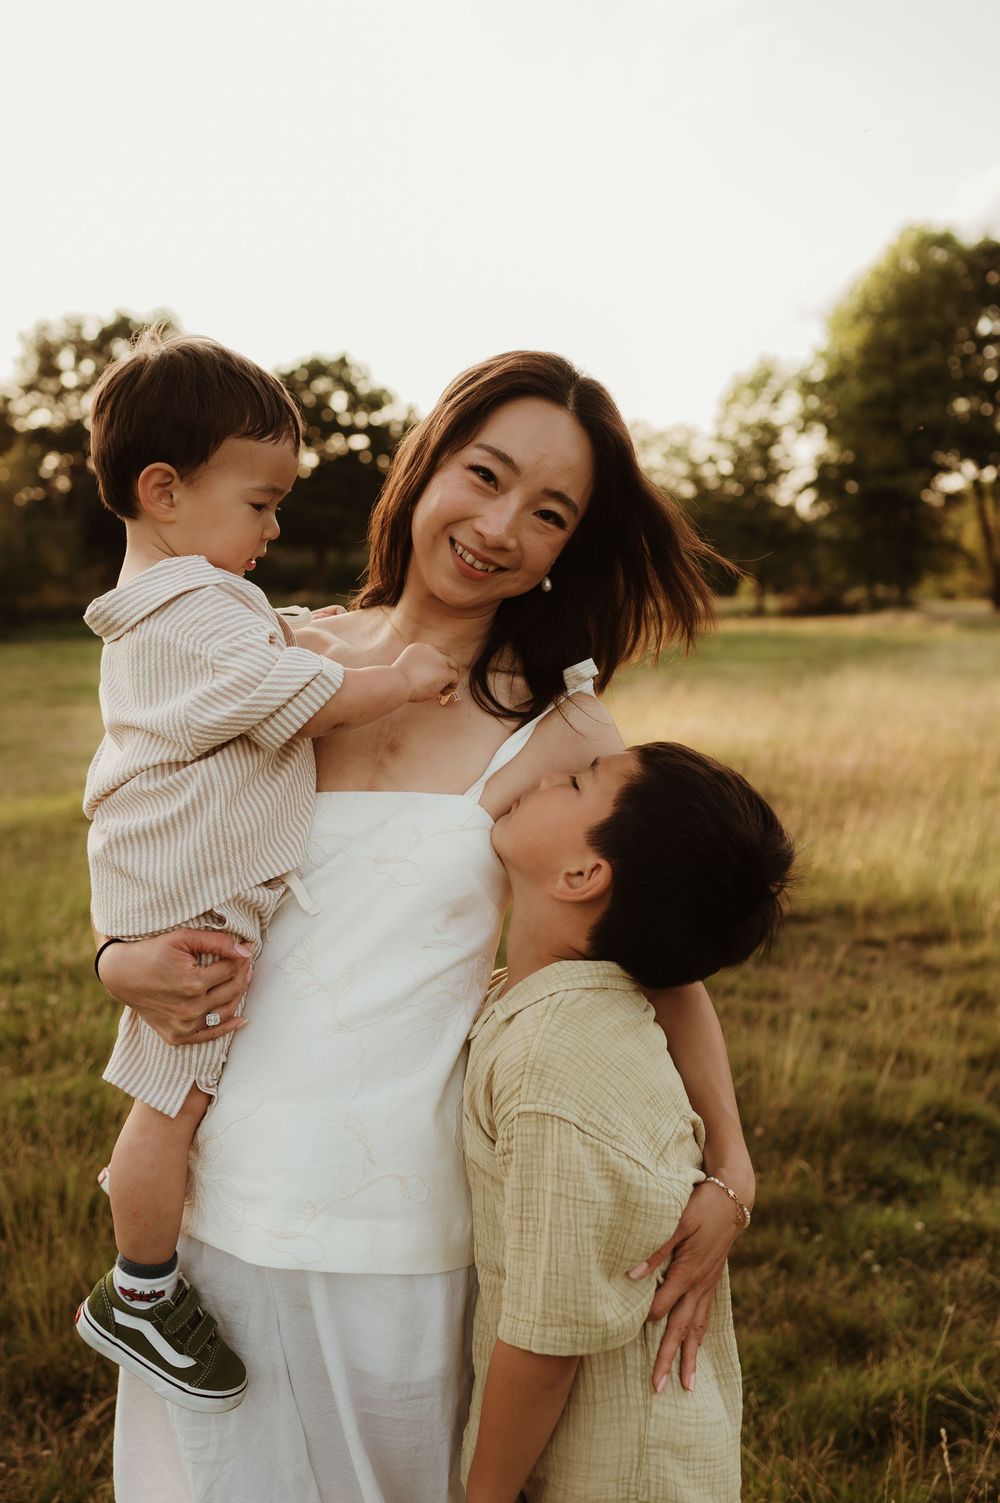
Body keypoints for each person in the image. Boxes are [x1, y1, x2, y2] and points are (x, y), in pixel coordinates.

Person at [94, 350, 760, 1503]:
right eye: (483, 474)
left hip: (409, 1238)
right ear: (426, 467)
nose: (500, 526)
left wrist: (731, 1169)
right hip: (212, 1217)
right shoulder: (268, 657)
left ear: (566, 547)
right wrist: (117, 960)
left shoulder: (562, 739)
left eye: (546, 512)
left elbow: (654, 962)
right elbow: (141, 830)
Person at [74, 330, 459, 1413]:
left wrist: (317, 636)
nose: (275, 526)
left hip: (176, 886)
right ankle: (139, 1291)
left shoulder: (189, 605)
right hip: (182, 905)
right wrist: (401, 673)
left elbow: (276, 652)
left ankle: (144, 1273)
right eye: (260, 502)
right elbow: (298, 692)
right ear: (164, 492)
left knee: (180, 1093)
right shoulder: (189, 614)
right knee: (172, 1097)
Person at [461, 742, 795, 1503]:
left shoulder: (558, 1065)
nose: (545, 773)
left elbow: (549, 1341)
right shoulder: (562, 1003)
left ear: (581, 876)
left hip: (616, 1467)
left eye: (575, 781)